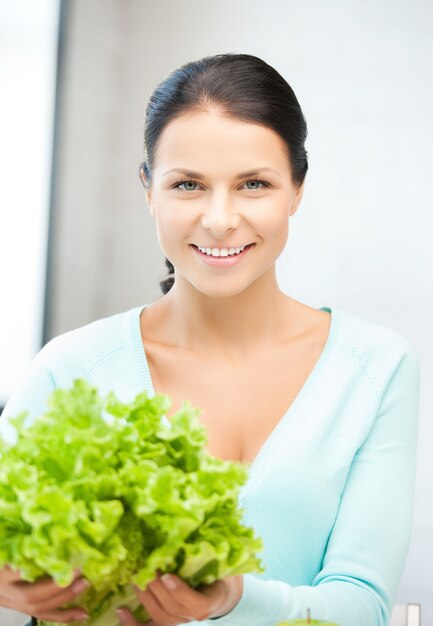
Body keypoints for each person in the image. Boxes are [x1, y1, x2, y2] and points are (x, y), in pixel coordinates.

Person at [0, 53, 420, 626]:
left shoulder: (376, 368)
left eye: (253, 184)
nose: (220, 219)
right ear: (149, 190)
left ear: (296, 189)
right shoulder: (70, 368)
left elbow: (363, 605)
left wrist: (235, 599)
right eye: (188, 185)